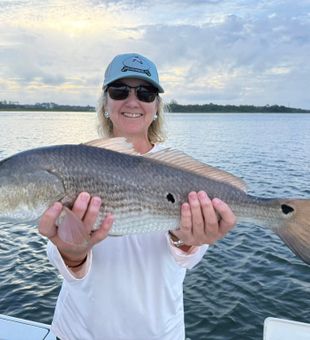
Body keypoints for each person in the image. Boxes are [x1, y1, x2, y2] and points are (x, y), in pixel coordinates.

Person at [38, 53, 236, 340]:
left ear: (156, 107)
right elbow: (59, 258)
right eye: (120, 91)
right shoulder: (75, 162)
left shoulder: (179, 173)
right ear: (105, 103)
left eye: (145, 92)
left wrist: (187, 241)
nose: (132, 101)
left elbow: (187, 260)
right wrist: (72, 253)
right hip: (78, 331)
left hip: (159, 332)